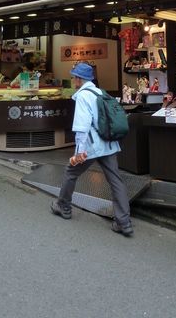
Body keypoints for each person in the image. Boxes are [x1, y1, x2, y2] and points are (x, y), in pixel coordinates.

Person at [50, 62, 133, 236]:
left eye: (74, 78)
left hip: (91, 146)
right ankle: (124, 222)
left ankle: (63, 206)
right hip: (108, 143)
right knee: (115, 180)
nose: (73, 81)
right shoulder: (100, 92)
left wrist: (79, 151)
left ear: (79, 79)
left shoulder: (82, 96)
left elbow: (82, 125)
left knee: (71, 172)